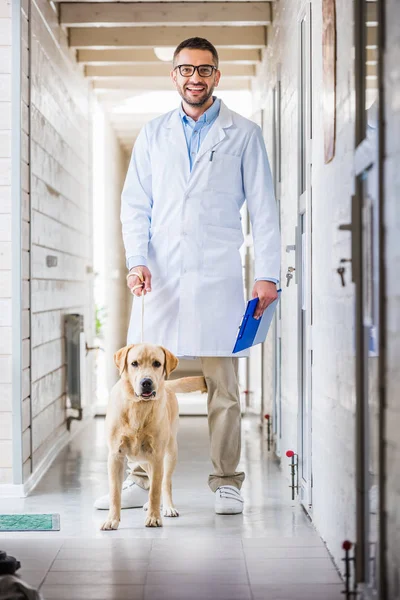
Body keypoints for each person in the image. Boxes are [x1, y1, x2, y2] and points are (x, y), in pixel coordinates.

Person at [95, 37, 280, 515]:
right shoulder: (154, 134)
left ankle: (225, 480)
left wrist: (268, 274)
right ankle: (138, 475)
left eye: (203, 70)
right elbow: (135, 205)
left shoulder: (244, 133)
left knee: (223, 384)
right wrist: (136, 259)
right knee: (141, 382)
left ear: (217, 75)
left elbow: (263, 208)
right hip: (158, 276)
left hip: (217, 275)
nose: (194, 78)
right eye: (185, 70)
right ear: (173, 75)